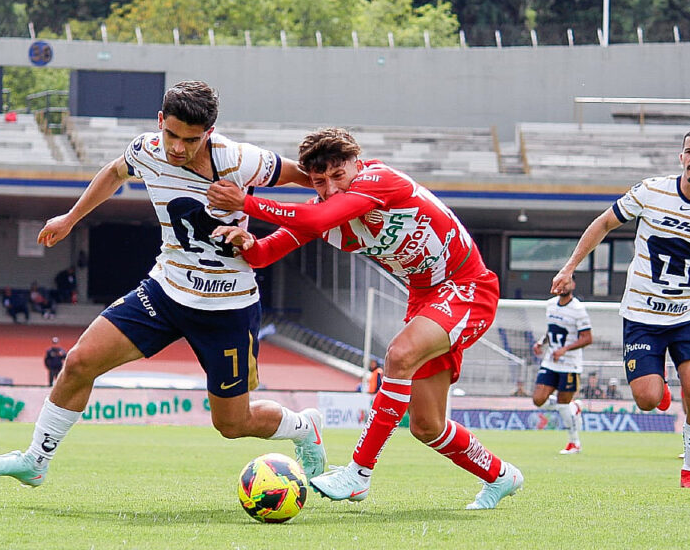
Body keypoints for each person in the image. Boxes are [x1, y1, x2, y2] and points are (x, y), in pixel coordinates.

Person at [0, 80, 326, 488]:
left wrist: (254, 216)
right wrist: (70, 219)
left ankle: (304, 427)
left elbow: (314, 182)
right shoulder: (146, 149)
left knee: (232, 423)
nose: (177, 147)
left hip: (227, 307)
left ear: (208, 133)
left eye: (190, 140)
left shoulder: (241, 161)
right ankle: (35, 460)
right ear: (160, 122)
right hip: (166, 291)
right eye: (171, 134)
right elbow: (114, 172)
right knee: (79, 363)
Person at [208, 127, 523, 510]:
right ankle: (501, 475)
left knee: (399, 354)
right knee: (427, 426)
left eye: (338, 175)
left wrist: (247, 203)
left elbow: (315, 218)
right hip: (425, 299)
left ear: (357, 164)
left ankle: (358, 473)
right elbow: (265, 254)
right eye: (320, 181)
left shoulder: (379, 180)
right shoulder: (323, 212)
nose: (330, 188)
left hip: (466, 286)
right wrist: (246, 243)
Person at [550, 127, 690, 489]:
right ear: (681, 157)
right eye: (689, 151)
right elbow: (603, 223)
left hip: (689, 313)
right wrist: (569, 267)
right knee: (646, 399)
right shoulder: (650, 190)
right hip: (641, 313)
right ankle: (659, 391)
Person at [530, 274, 592, 454]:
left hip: (570, 365)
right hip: (551, 361)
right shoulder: (550, 305)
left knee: (563, 404)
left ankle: (574, 443)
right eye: (561, 283)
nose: (564, 285)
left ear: (573, 284)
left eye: (568, 282)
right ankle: (575, 407)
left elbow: (587, 338)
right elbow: (552, 330)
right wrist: (542, 342)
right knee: (538, 400)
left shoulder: (578, 309)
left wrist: (565, 349)